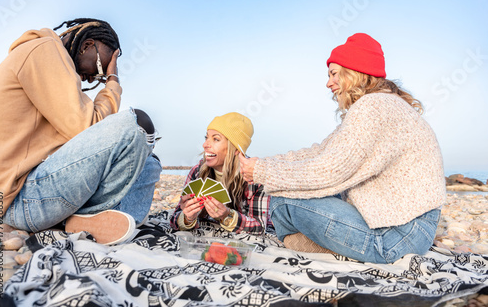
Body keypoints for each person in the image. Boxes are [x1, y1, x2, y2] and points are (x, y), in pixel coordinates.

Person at [239, 33, 446, 263]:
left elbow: (330, 169)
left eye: (334, 74)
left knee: (282, 200)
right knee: (291, 191)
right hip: (410, 230)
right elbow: (318, 152)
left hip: (397, 235)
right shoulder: (382, 103)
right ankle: (332, 247)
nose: (328, 83)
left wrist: (264, 172)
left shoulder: (373, 106)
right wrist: (262, 163)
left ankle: (327, 247)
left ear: (355, 72)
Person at [0, 18, 162, 245]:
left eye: (101, 76)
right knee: (136, 123)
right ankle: (89, 216)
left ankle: (96, 219)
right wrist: (113, 80)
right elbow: (88, 127)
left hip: (31, 194)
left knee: (150, 162)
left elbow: (90, 136)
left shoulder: (55, 69)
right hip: (14, 200)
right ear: (86, 45)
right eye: (101, 67)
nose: (95, 78)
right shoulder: (43, 50)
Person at [170, 112, 271, 235]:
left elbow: (260, 227)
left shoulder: (255, 178)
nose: (205, 144)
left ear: (236, 150)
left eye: (216, 139)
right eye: (206, 137)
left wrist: (227, 216)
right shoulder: (197, 172)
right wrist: (187, 218)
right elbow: (174, 218)